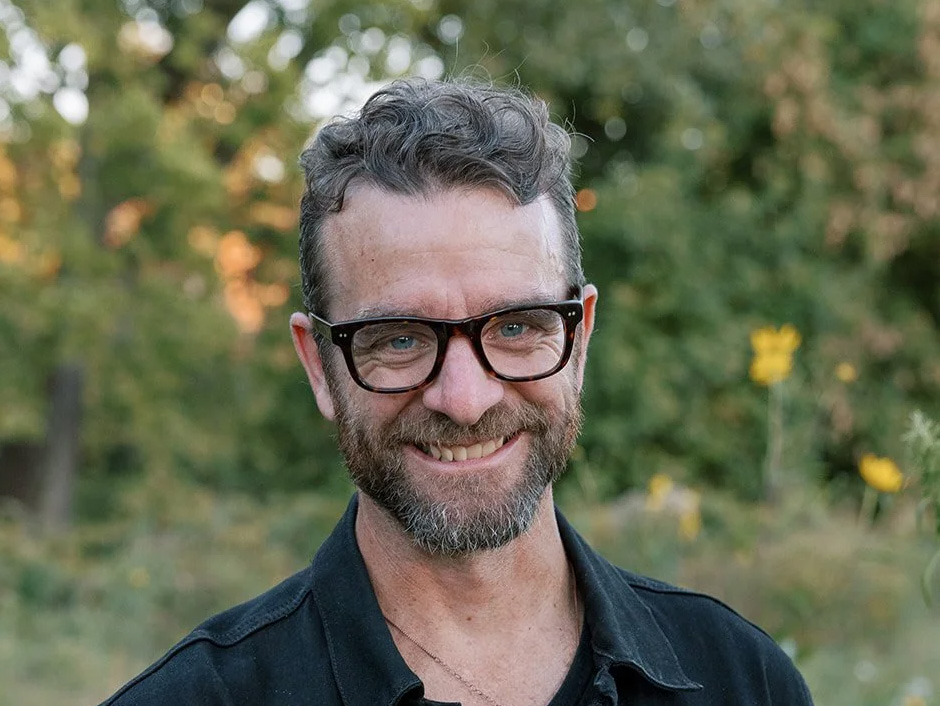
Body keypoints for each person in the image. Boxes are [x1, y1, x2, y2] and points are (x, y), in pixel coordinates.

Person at [101, 78, 814, 706]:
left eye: (518, 327)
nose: (465, 400)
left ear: (581, 338)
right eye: (401, 339)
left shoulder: (744, 681)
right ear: (318, 364)